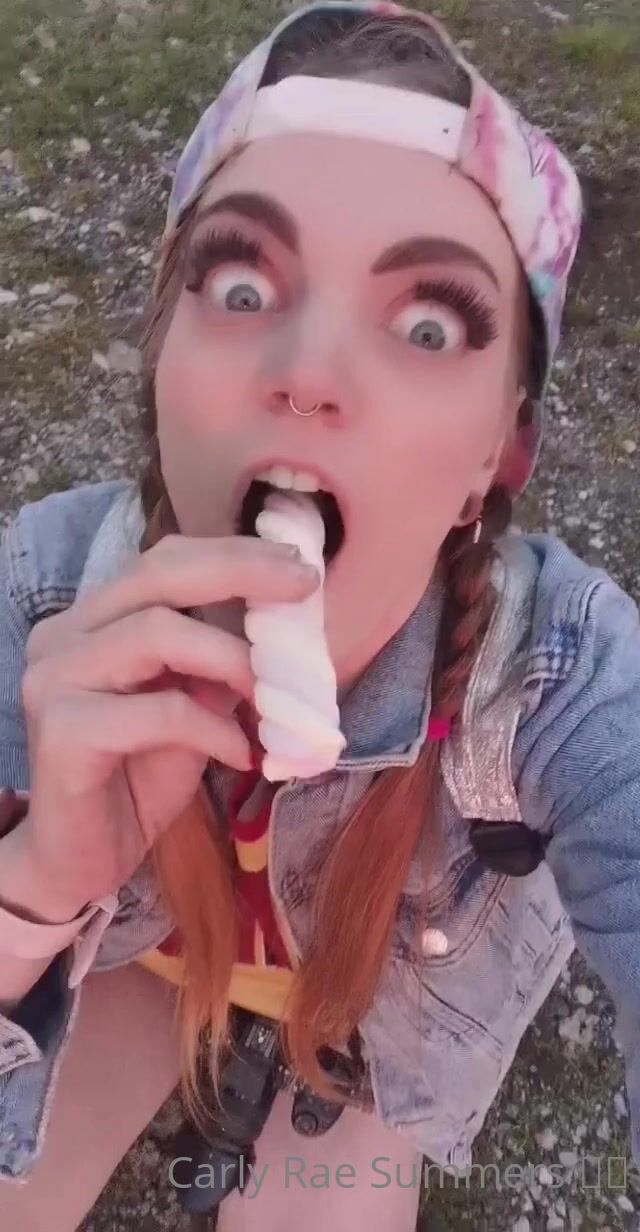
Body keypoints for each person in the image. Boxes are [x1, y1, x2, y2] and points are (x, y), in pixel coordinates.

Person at [0, 2, 638, 1229]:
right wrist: (32, 891)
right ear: (160, 363)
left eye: (426, 323)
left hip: (371, 1017)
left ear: (497, 456)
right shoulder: (38, 589)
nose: (304, 369)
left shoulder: (564, 677)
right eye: (240, 283)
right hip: (145, 954)